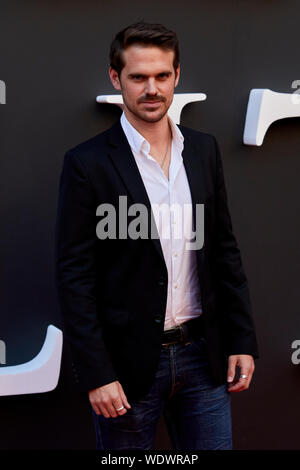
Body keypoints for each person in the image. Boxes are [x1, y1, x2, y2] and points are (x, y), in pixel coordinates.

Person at [55, 22, 259, 451]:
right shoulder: (87, 163)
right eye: (138, 77)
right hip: (127, 370)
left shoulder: (203, 150)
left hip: (203, 357)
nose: (152, 88)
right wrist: (97, 373)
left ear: (177, 75)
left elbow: (223, 249)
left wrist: (241, 340)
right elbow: (75, 276)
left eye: (162, 76)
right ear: (116, 78)